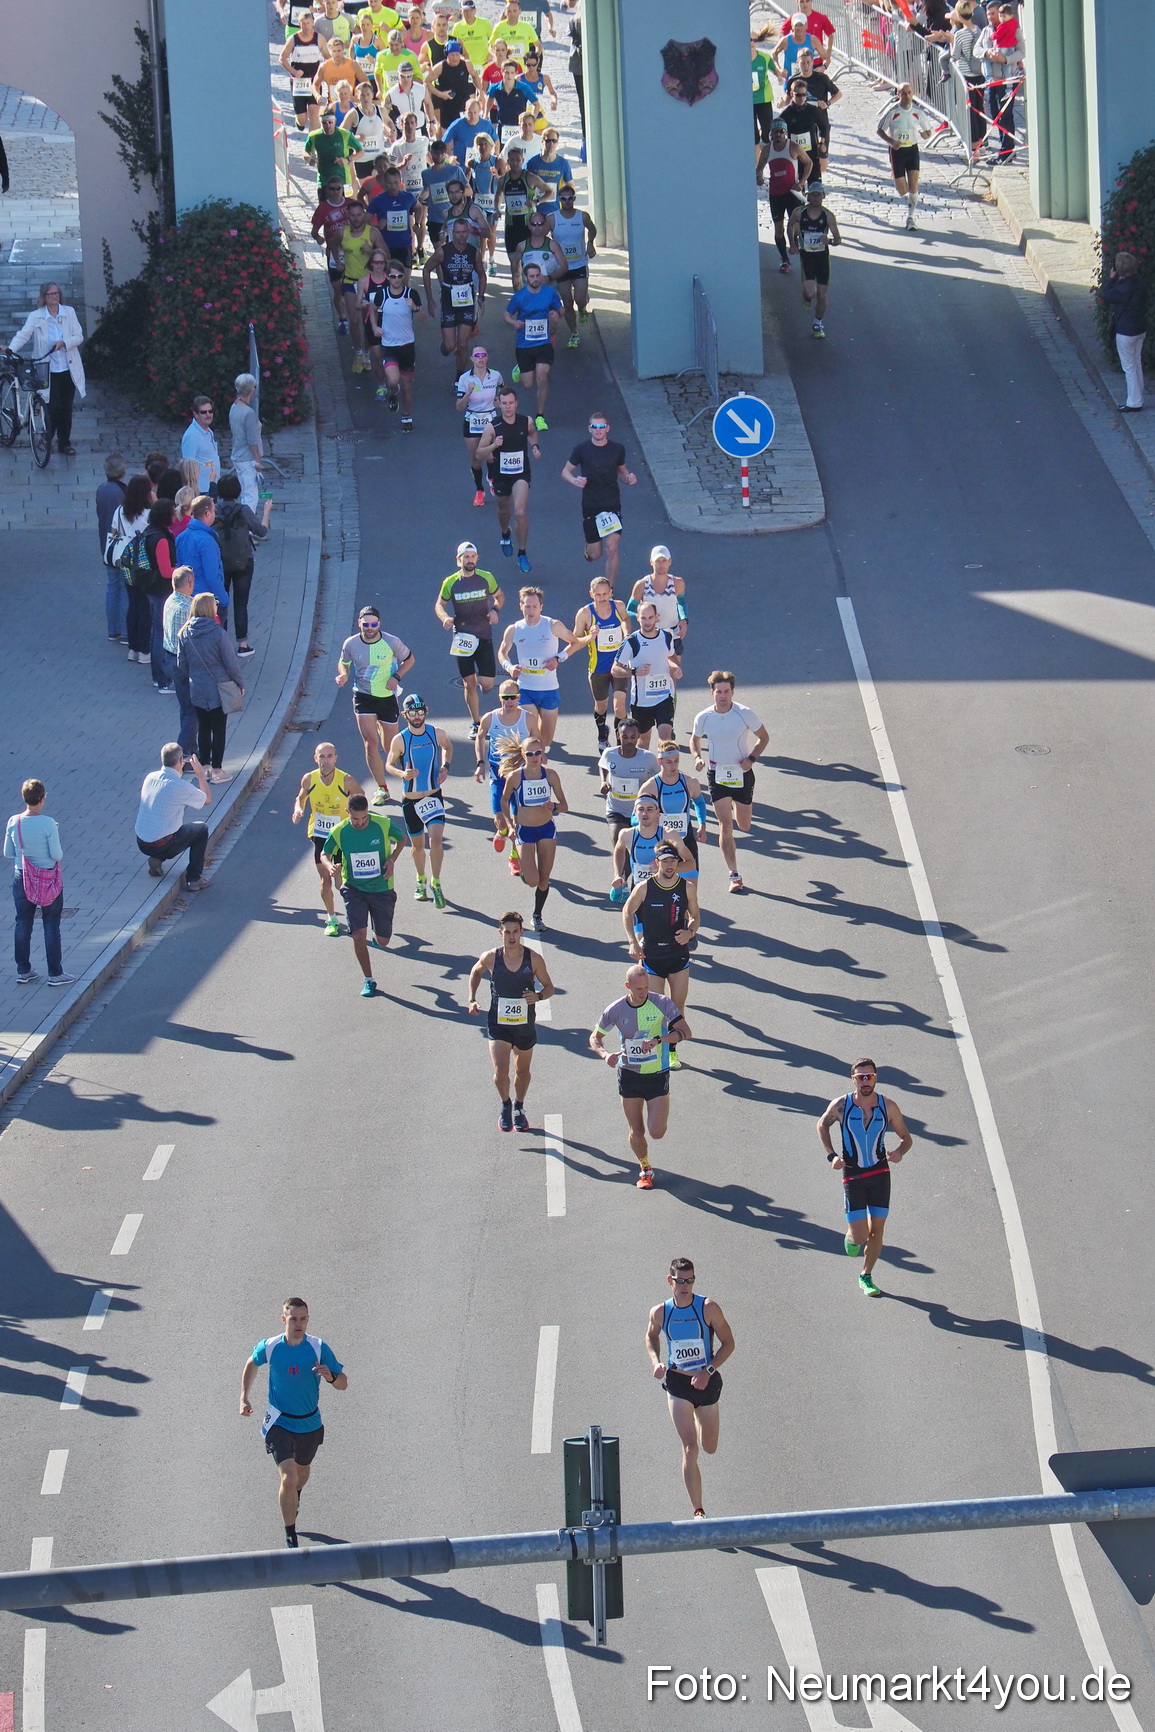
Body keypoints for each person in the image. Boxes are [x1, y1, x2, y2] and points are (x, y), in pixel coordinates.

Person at [240, 1297, 347, 1547]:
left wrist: (331, 1377)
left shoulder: (319, 1348)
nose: (299, 1324)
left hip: (309, 1423)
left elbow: (343, 1383)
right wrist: (244, 1397)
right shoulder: (271, 1346)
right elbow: (251, 1364)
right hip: (279, 1422)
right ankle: (290, 1535)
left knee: (301, 1472)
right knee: (287, 1477)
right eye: (293, 1318)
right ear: (283, 1319)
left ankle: (295, 1495)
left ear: (308, 1319)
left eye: (303, 1318)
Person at [645, 1260, 734, 1518]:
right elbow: (651, 1336)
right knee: (690, 1448)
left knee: (710, 1447)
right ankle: (698, 1510)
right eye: (680, 1281)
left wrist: (708, 1371)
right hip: (678, 1383)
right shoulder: (661, 1312)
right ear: (670, 1280)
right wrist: (656, 1362)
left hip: (706, 1381)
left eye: (690, 1280)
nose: (685, 1286)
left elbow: (729, 1343)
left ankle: (698, 1417)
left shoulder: (708, 1308)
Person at [590, 963, 692, 1189]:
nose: (644, 992)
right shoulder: (615, 1009)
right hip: (629, 1075)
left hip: (657, 1074)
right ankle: (645, 1167)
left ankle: (655, 1126)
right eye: (639, 989)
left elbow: (685, 1031)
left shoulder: (661, 1003)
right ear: (628, 986)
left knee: (657, 1132)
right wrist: (605, 1055)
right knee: (636, 1130)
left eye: (646, 987)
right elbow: (594, 1038)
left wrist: (659, 1040)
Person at [817, 1059, 912, 1298]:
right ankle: (853, 1236)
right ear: (853, 1080)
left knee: (877, 1232)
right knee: (861, 1236)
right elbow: (822, 1125)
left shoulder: (888, 1106)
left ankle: (866, 1275)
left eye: (869, 1076)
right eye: (861, 1077)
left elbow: (906, 1138)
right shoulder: (841, 1106)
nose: (865, 1081)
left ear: (876, 1078)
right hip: (853, 1175)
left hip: (880, 1174)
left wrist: (899, 1152)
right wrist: (831, 1156)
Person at [468, 909, 555, 1130]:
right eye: (507, 932)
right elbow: (476, 972)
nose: (512, 936)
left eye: (515, 931)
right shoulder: (491, 957)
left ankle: (519, 1105)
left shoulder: (533, 959)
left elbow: (549, 987)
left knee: (522, 1071)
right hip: (499, 1025)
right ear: (501, 933)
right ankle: (505, 1104)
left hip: (524, 1026)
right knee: (500, 1070)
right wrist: (472, 999)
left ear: (522, 932)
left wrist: (538, 996)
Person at [691, 671, 769, 894]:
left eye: (727, 692)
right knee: (726, 825)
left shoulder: (744, 713)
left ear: (732, 692)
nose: (723, 696)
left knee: (744, 825)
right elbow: (694, 740)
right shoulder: (703, 717)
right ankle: (734, 875)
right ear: (712, 693)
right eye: (719, 692)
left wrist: (751, 759)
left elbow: (764, 737)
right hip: (717, 774)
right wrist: (697, 757)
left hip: (742, 773)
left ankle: (738, 806)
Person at [322, 793, 406, 993]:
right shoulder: (340, 831)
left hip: (381, 888)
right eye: (355, 819)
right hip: (353, 889)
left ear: (368, 812)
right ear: (347, 813)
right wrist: (330, 866)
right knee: (358, 936)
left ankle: (378, 940)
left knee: (383, 941)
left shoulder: (383, 824)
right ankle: (369, 979)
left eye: (363, 818)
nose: (360, 823)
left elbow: (401, 840)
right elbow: (325, 853)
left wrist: (392, 860)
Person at [336, 605, 415, 802]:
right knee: (371, 744)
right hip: (363, 696)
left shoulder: (391, 641)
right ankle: (382, 788)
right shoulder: (351, 643)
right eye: (366, 624)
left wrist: (396, 676)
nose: (370, 627)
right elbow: (343, 662)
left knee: (391, 747)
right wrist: (344, 675)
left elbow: (410, 660)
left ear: (379, 623)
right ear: (359, 624)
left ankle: (408, 777)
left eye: (374, 624)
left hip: (387, 697)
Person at [385, 692, 452, 906]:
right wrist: (402, 775)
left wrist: (445, 767)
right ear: (406, 715)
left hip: (433, 795)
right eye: (412, 713)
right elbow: (389, 765)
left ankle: (436, 881)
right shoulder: (400, 739)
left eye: (420, 712)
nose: (417, 717)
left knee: (436, 840)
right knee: (418, 847)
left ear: (425, 712)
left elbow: (448, 747)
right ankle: (420, 879)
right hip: (411, 800)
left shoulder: (436, 733)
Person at [6, 778, 74, 987]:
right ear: (42, 799)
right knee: (51, 924)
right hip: (47, 879)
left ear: (24, 798)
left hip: (22, 877)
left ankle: (23, 970)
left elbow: (8, 853)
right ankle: (55, 973)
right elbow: (56, 854)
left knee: (23, 923)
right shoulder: (48, 823)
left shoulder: (13, 821)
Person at [292, 742, 364, 937]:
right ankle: (331, 918)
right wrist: (298, 809)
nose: (325, 760)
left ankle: (352, 916)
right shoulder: (309, 778)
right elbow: (301, 797)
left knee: (341, 880)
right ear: (315, 758)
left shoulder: (346, 780)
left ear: (336, 758)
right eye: (321, 757)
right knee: (325, 878)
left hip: (342, 835)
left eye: (329, 756)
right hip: (319, 834)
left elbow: (361, 799)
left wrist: (354, 819)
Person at [622, 840, 699, 1024]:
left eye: (673, 861)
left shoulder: (687, 887)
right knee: (655, 1010)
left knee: (677, 1008)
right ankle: (658, 1049)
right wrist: (632, 941)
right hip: (652, 956)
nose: (669, 865)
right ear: (657, 863)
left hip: (678, 955)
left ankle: (672, 1050)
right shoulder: (644, 888)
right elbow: (627, 911)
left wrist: (690, 932)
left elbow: (695, 916)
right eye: (665, 861)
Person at [497, 584, 580, 749]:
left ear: (541, 607)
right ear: (521, 606)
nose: (530, 610)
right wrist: (509, 667)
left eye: (534, 606)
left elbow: (575, 642)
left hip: (549, 689)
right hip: (525, 689)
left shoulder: (552, 625)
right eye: (527, 606)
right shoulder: (514, 629)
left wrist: (558, 658)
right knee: (531, 737)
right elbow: (502, 652)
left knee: (546, 741)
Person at [9, 280, 85, 456]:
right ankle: (47, 439)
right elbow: (24, 335)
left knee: (66, 407)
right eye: (51, 294)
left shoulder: (69, 313)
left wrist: (64, 343)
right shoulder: (36, 316)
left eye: (57, 293)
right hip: (47, 368)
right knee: (52, 406)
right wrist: (11, 349)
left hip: (67, 367)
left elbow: (78, 336)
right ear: (44, 297)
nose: (55, 297)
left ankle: (65, 443)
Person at [436, 540, 503, 734]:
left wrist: (495, 610)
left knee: (488, 683)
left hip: (483, 635)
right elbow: (439, 605)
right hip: (462, 637)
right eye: (466, 557)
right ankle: (476, 722)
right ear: (459, 560)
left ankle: (484, 687)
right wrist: (445, 618)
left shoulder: (486, 578)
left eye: (473, 556)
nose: (470, 560)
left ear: (477, 558)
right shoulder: (451, 582)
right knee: (469, 683)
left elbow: (500, 596)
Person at [177, 595, 245, 784]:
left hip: (197, 689)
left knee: (203, 728)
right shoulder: (218, 633)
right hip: (218, 689)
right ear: (209, 609)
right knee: (219, 729)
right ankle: (217, 770)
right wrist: (239, 684)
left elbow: (181, 664)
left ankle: (204, 767)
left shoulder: (185, 633)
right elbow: (231, 663)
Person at [500, 738, 566, 932]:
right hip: (525, 831)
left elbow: (564, 805)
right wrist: (510, 825)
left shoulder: (551, 775)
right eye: (530, 754)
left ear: (543, 753)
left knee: (544, 879)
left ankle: (537, 915)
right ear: (523, 755)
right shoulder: (515, 777)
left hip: (546, 829)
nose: (535, 757)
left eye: (538, 753)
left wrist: (553, 806)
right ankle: (520, 862)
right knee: (533, 881)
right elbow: (503, 801)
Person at [561, 413, 636, 584]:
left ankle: (608, 589)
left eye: (601, 426)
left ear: (607, 428)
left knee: (612, 549)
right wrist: (575, 480)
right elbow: (565, 472)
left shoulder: (617, 449)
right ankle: (589, 550)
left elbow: (622, 470)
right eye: (594, 427)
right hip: (591, 505)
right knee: (596, 554)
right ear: (590, 429)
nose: (598, 430)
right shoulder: (581, 449)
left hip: (612, 505)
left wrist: (628, 478)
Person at [477, 385, 541, 569]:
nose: (508, 407)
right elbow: (480, 453)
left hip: (521, 473)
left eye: (511, 403)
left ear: (516, 404)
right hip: (500, 475)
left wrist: (535, 446)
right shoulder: (493, 427)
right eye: (504, 403)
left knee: (520, 512)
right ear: (499, 405)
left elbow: (532, 433)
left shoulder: (526, 421)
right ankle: (505, 533)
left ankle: (522, 553)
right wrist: (493, 446)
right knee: (504, 511)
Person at [134, 742, 213, 891]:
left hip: (142, 842)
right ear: (181, 761)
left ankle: (156, 859)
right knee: (201, 830)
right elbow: (207, 800)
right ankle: (194, 879)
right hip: (164, 844)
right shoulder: (179, 786)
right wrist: (200, 774)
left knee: (165, 828)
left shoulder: (150, 777)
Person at [361, 255, 425, 423]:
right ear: (387, 277)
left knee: (407, 386)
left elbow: (424, 319)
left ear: (403, 277)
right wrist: (374, 327)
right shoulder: (382, 295)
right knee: (393, 380)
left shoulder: (411, 294)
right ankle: (392, 392)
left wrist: (415, 307)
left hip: (407, 347)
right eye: (393, 276)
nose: (396, 280)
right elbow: (372, 310)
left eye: (399, 276)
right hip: (389, 346)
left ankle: (406, 416)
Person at [214, 474, 272, 658]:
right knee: (241, 603)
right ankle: (243, 644)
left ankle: (220, 641)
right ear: (237, 492)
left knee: (220, 602)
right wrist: (266, 512)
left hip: (221, 561)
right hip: (243, 561)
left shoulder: (214, 510)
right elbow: (261, 531)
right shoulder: (244, 510)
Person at [474, 681, 533, 865]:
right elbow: (480, 736)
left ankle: (515, 856)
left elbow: (536, 740)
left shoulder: (529, 718)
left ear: (518, 698)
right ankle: (503, 831)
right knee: (499, 818)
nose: (509, 702)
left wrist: (539, 758)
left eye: (513, 698)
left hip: (519, 775)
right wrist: (480, 763)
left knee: (518, 818)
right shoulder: (490, 718)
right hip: (497, 772)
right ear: (500, 698)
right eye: (505, 698)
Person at [613, 600, 682, 748]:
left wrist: (675, 667)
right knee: (643, 742)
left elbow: (670, 656)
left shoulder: (666, 636)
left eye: (650, 617)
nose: (647, 622)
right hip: (642, 702)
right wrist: (634, 672)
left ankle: (664, 771)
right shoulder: (631, 642)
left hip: (664, 696)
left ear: (657, 617)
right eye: (643, 618)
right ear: (637, 618)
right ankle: (645, 771)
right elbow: (615, 669)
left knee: (666, 739)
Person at [504, 259, 563, 430]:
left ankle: (540, 417)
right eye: (532, 276)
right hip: (524, 344)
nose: (536, 279)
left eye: (538, 276)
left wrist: (557, 315)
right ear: (526, 278)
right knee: (528, 384)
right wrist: (514, 323)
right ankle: (519, 368)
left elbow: (561, 309)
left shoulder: (549, 293)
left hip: (544, 342)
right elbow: (506, 314)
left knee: (542, 377)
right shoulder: (519, 297)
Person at [423, 215, 486, 373]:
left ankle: (460, 378)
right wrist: (430, 299)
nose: (461, 235)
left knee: (463, 344)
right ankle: (445, 345)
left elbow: (482, 274)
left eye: (464, 232)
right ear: (453, 232)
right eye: (458, 232)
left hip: (467, 302)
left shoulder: (474, 252)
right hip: (448, 301)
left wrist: (481, 297)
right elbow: (426, 269)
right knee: (451, 346)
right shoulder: (443, 252)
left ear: (469, 232)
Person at [574, 575, 630, 746]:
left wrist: (626, 633)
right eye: (598, 595)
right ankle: (602, 733)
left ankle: (621, 740)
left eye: (605, 594)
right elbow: (575, 639)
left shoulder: (618, 606)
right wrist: (590, 636)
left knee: (620, 706)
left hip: (619, 664)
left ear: (611, 593)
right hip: (598, 667)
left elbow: (626, 619)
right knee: (601, 706)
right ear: (591, 594)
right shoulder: (585, 614)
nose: (602, 598)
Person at [639, 743, 707, 880]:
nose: (673, 766)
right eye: (669, 762)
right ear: (660, 762)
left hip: (685, 839)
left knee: (690, 884)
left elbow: (699, 803)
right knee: (662, 885)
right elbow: (635, 817)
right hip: (660, 842)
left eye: (676, 761)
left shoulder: (690, 782)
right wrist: (650, 819)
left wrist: (702, 825)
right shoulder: (650, 787)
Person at [611, 794, 693, 904]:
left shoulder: (670, 835)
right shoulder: (626, 835)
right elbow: (619, 850)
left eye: (649, 809)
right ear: (635, 812)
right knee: (631, 918)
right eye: (641, 809)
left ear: (657, 812)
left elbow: (691, 863)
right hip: (639, 891)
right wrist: (618, 874)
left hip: (666, 892)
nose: (645, 813)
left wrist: (665, 869)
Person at [113, 472, 157, 666]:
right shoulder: (149, 513)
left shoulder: (120, 511)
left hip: (126, 562)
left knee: (133, 604)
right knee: (145, 605)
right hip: (145, 562)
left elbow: (114, 533)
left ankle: (133, 648)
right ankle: (145, 650)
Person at [788, 181, 841, 338]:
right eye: (813, 195)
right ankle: (806, 297)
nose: (816, 198)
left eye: (819, 195)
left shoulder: (828, 216)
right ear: (808, 196)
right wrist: (792, 244)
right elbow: (790, 226)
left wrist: (829, 241)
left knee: (822, 295)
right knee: (811, 293)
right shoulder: (799, 213)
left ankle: (817, 324)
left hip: (822, 258)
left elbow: (838, 240)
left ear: (823, 196)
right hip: (807, 257)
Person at [877, 84, 933, 228]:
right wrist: (891, 141)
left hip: (912, 150)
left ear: (913, 94)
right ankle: (898, 179)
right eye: (904, 93)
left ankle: (910, 217)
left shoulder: (918, 112)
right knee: (902, 190)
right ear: (898, 94)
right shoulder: (893, 111)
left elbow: (928, 132)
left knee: (913, 185)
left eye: (909, 93)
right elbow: (880, 130)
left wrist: (925, 135)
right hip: (897, 152)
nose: (907, 96)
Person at [340, 199, 387, 372]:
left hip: (369, 283)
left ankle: (367, 352)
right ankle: (358, 351)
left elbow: (385, 254)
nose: (357, 218)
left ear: (364, 214)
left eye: (359, 214)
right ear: (348, 216)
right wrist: (337, 261)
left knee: (368, 322)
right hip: (350, 281)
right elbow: (331, 246)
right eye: (353, 215)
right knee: (353, 320)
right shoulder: (342, 233)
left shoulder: (372, 233)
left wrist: (372, 251)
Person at [1100, 252, 1148, 413]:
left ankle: (1134, 402)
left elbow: (1105, 295)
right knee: (1136, 361)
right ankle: (1138, 395)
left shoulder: (1121, 288)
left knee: (1129, 366)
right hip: (1140, 328)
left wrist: (1111, 279)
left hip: (1126, 331)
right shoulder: (1139, 282)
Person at [456, 344, 504, 504]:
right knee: (476, 458)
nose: (480, 358)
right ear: (471, 359)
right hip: (472, 420)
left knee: (491, 456)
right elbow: (459, 407)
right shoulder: (464, 379)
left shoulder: (496, 376)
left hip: (490, 420)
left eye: (483, 355)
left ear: (487, 357)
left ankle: (491, 477)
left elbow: (503, 393)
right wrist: (468, 393)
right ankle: (479, 490)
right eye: (477, 356)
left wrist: (499, 402)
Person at [598, 718, 658, 845]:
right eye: (625, 737)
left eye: (633, 737)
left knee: (637, 850)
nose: (629, 741)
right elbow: (602, 765)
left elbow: (660, 778)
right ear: (617, 735)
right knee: (619, 844)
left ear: (638, 736)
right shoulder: (609, 754)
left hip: (641, 812)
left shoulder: (648, 758)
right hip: (616, 809)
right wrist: (603, 781)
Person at [175, 495, 230, 629]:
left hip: (187, 597)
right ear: (207, 513)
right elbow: (212, 576)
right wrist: (224, 599)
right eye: (214, 511)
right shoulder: (207, 541)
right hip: (206, 601)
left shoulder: (182, 537)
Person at [142, 497, 179, 690]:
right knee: (161, 634)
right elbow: (166, 570)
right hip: (161, 591)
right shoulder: (162, 539)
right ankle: (162, 679)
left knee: (157, 632)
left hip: (151, 589)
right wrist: (182, 570)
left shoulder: (151, 533)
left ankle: (160, 677)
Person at [551, 184, 596, 341]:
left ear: (574, 199)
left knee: (579, 298)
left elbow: (592, 229)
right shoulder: (553, 218)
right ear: (559, 200)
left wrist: (590, 243)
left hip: (579, 264)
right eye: (564, 199)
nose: (567, 202)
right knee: (567, 302)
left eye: (570, 199)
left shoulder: (582, 216)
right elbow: (541, 235)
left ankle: (582, 308)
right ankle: (574, 332)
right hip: (562, 267)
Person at [764, 117, 809, 273]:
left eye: (781, 132)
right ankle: (785, 260)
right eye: (775, 132)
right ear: (771, 133)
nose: (778, 135)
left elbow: (809, 163)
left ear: (786, 133)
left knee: (796, 224)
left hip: (792, 193)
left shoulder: (794, 147)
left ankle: (796, 244)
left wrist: (802, 182)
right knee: (779, 230)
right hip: (775, 194)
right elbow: (759, 168)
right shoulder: (767, 149)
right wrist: (757, 177)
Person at [162, 567, 198, 758]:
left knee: (185, 707)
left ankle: (193, 751)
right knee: (193, 711)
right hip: (184, 663)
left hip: (169, 658)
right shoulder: (188, 609)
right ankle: (182, 755)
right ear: (189, 583)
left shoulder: (170, 601)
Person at [630, 547, 687, 659]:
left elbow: (681, 602)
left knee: (674, 671)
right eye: (657, 561)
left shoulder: (677, 583)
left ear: (670, 562)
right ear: (651, 562)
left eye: (664, 561)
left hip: (672, 634)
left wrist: (684, 619)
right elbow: (630, 609)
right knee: (650, 671)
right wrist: (644, 619)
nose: (661, 565)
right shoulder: (642, 585)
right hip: (649, 634)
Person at [96, 453, 128, 642]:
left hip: (107, 544)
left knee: (112, 586)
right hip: (123, 545)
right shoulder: (123, 492)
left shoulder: (102, 490)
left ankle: (113, 629)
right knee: (125, 588)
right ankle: (125, 631)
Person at [793, 47, 840, 169]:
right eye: (803, 63)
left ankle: (821, 181)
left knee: (822, 153)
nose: (806, 66)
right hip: (803, 125)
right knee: (805, 157)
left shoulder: (822, 78)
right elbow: (788, 99)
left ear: (813, 62)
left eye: (808, 62)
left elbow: (838, 94)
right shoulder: (794, 80)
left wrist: (828, 103)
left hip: (821, 123)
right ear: (798, 63)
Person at [366, 165, 419, 271]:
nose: (393, 186)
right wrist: (376, 226)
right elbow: (364, 221)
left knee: (405, 281)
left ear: (400, 181)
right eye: (390, 183)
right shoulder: (378, 200)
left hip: (404, 245)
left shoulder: (408, 197)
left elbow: (419, 207)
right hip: (386, 246)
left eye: (396, 182)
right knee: (388, 280)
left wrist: (417, 223)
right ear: (385, 183)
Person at [280, 12, 326, 131]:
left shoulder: (319, 38)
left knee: (314, 113)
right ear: (299, 24)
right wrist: (294, 72)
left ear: (312, 23)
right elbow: (282, 58)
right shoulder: (293, 39)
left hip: (314, 81)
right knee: (302, 119)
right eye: (303, 24)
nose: (306, 26)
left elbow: (328, 57)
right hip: (298, 81)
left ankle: (312, 144)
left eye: (308, 23)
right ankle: (299, 122)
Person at [779, 77, 824, 189]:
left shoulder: (812, 110)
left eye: (804, 95)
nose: (801, 98)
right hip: (794, 157)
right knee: (797, 192)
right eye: (798, 95)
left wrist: (822, 142)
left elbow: (824, 127)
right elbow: (778, 134)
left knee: (816, 189)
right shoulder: (786, 114)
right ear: (791, 94)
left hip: (811, 153)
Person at [229, 374, 265, 511]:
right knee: (251, 495)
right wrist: (258, 461)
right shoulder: (248, 413)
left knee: (245, 492)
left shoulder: (234, 407)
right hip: (247, 458)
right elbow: (252, 441)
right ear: (251, 390)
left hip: (238, 455)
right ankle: (248, 527)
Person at [305, 109, 358, 196]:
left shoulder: (345, 134)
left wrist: (347, 160)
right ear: (320, 123)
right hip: (323, 182)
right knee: (325, 209)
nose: (328, 125)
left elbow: (360, 151)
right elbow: (305, 151)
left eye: (330, 122)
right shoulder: (314, 136)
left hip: (345, 181)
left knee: (347, 208)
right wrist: (309, 159)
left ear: (335, 121)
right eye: (324, 123)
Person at [525, 127, 571, 216]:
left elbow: (570, 186)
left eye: (554, 141)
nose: (551, 144)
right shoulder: (532, 162)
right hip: (535, 211)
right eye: (548, 141)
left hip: (555, 210)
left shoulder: (563, 163)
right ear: (542, 142)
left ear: (557, 143)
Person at [180, 396, 220, 495]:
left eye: (210, 411)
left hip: (211, 487)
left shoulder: (208, 431)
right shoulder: (192, 436)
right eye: (203, 412)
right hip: (200, 490)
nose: (208, 415)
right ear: (195, 414)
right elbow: (188, 468)